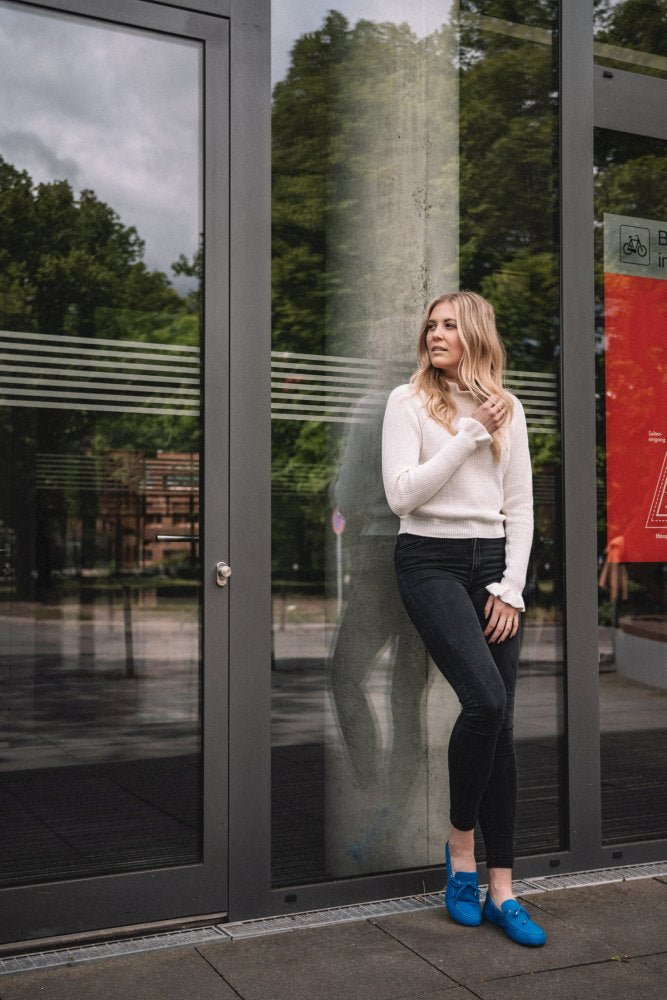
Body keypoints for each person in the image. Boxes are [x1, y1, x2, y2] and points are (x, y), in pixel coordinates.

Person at [381, 290, 546, 947]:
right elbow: (402, 493)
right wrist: (468, 433)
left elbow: (521, 507)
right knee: (482, 701)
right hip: (428, 560)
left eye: (448, 324)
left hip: (491, 568)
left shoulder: (511, 410)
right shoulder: (407, 401)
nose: (435, 334)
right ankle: (458, 848)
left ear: (475, 333)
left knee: (500, 723)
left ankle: (501, 888)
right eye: (430, 325)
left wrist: (510, 587)